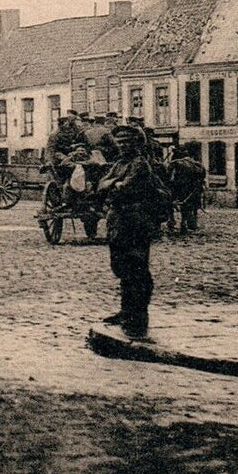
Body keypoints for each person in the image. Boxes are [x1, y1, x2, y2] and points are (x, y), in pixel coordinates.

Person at [97, 125, 167, 339]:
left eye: (127, 142)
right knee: (121, 267)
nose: (122, 146)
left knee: (136, 268)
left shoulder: (139, 164)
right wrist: (113, 183)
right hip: (119, 221)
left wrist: (113, 184)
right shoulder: (119, 163)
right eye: (119, 143)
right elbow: (101, 185)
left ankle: (138, 316)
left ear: (137, 144)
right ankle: (126, 310)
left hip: (136, 221)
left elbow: (126, 186)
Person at [168, 144, 207, 234]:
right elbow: (202, 178)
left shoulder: (174, 163)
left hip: (177, 186)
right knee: (192, 202)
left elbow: (169, 177)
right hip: (192, 188)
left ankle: (172, 220)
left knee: (171, 199)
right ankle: (188, 222)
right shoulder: (198, 165)